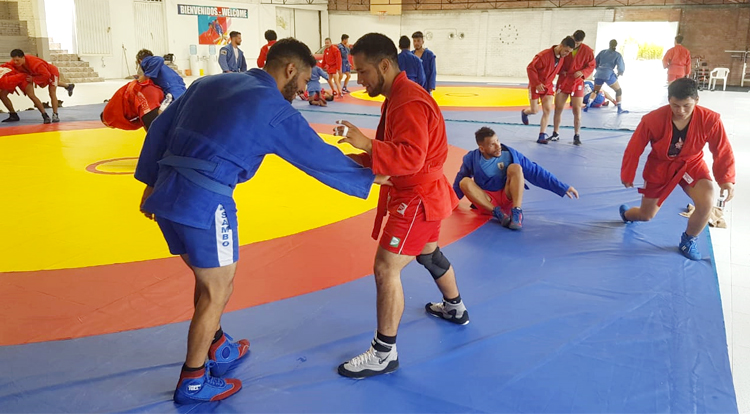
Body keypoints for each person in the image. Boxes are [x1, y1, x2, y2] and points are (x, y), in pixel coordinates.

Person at [135, 38, 387, 404]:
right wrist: (371, 177)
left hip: (168, 196)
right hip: (205, 202)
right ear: (289, 70)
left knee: (208, 281)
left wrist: (148, 183)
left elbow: (159, 130)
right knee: (217, 289)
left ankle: (218, 345)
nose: (302, 90)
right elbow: (314, 154)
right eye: (302, 81)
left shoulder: (210, 83)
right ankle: (192, 380)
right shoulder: (271, 106)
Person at [335, 33, 468, 379]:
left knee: (385, 268)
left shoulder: (408, 100)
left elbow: (410, 157)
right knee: (428, 253)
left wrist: (366, 144)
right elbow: (398, 149)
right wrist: (362, 156)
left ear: (384, 64)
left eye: (362, 72)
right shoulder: (398, 97)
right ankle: (455, 309)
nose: (359, 80)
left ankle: (384, 352)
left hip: (416, 198)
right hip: (425, 193)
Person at [620, 78, 735, 260]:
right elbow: (634, 147)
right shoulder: (652, 119)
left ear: (696, 100)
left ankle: (688, 240)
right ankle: (627, 214)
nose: (680, 111)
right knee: (646, 215)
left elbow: (722, 150)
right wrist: (628, 173)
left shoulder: (710, 120)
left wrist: (726, 179)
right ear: (669, 101)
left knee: (706, 202)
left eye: (686, 106)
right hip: (660, 166)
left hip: (691, 164)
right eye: (675, 105)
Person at [453, 126, 579, 230]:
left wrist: (562, 187)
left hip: (507, 196)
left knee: (516, 168)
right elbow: (460, 179)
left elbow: (535, 171)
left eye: (498, 140)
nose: (498, 146)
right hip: (487, 202)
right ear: (482, 148)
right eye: (492, 144)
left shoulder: (510, 154)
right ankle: (497, 213)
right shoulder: (471, 158)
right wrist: (450, 201)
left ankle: (517, 211)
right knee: (465, 182)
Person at [520, 37, 576, 144]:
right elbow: (530, 68)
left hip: (548, 86)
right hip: (536, 85)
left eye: (569, 52)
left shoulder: (562, 57)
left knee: (547, 110)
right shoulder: (543, 56)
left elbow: (557, 68)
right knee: (534, 110)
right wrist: (536, 83)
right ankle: (525, 112)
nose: (567, 54)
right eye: (566, 51)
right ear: (560, 46)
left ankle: (542, 134)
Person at [2, 49, 75, 124]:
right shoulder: (14, 62)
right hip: (36, 74)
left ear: (23, 58)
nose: (15, 62)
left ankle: (55, 114)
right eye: (14, 60)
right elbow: (7, 66)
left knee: (52, 91)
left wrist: (34, 79)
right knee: (52, 83)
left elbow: (47, 75)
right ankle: (68, 86)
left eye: (17, 60)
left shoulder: (35, 63)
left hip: (51, 73)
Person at [551, 30, 595, 146]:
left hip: (577, 81)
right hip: (564, 79)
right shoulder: (566, 45)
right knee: (558, 107)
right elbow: (557, 59)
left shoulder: (588, 51)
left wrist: (583, 72)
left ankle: (577, 135)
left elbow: (591, 65)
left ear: (582, 42)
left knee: (577, 109)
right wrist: (560, 71)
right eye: (574, 41)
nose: (575, 45)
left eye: (578, 43)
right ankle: (555, 133)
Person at [587, 39, 627, 114]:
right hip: (609, 74)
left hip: (599, 73)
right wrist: (619, 73)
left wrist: (598, 69)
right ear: (616, 45)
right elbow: (621, 67)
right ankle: (619, 108)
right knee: (618, 90)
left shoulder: (602, 52)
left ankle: (588, 105)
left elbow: (595, 62)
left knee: (595, 91)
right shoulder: (617, 55)